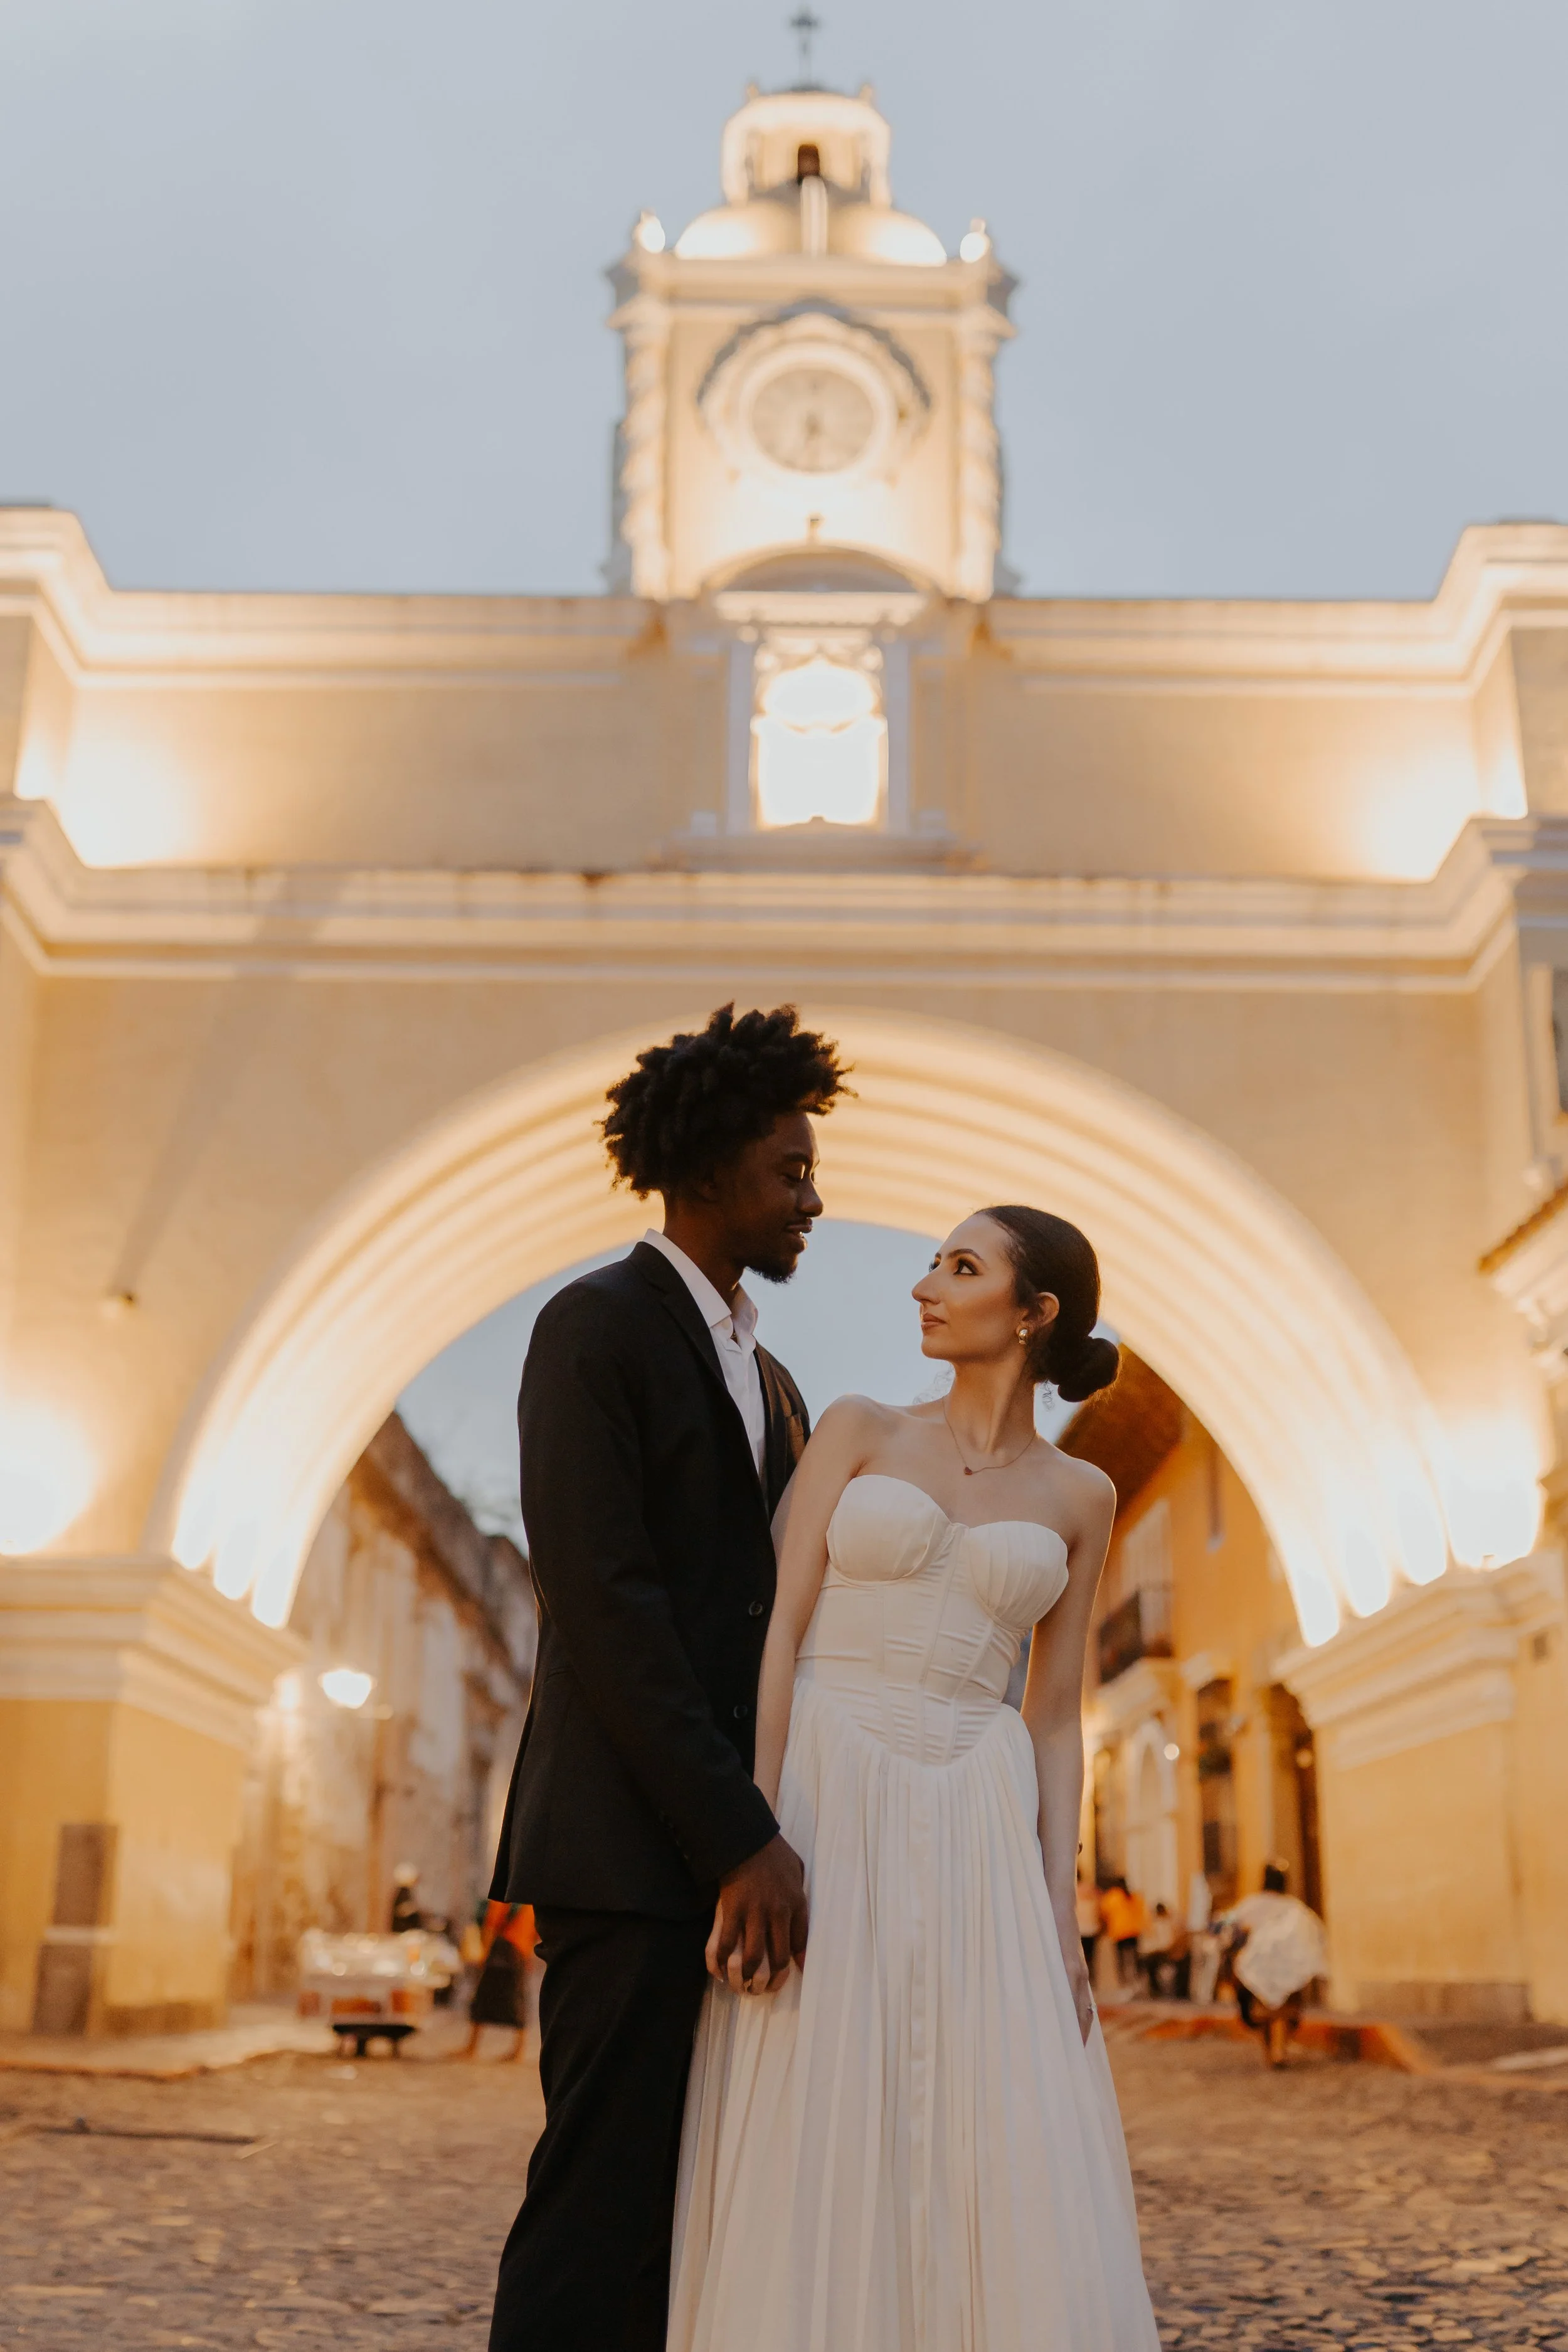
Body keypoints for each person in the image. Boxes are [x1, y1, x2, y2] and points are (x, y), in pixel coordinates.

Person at [669, 1205, 1160, 2351]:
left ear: (1033, 1315)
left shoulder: (1083, 1496)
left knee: (985, 2117)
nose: (925, 1285)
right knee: (817, 2093)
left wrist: (1060, 1913)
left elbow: (1051, 1718)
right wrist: (756, 1829)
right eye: (935, 1262)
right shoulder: (859, 1431)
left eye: (963, 1267)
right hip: (830, 1783)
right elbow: (779, 1636)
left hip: (979, 1803)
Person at [485, 1004, 847, 2352]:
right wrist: (736, 1837)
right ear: (705, 1172)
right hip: (629, 1861)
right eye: (789, 1169)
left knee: (703, 2215)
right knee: (599, 2211)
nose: (813, 1196)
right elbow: (606, 1608)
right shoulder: (592, 1330)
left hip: (727, 1862)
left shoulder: (776, 1373)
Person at [1219, 1860, 1327, 2067]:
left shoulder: (1251, 1904)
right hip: (1285, 1971)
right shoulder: (1295, 1908)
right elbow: (1315, 1933)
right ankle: (1279, 2051)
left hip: (1257, 1971)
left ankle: (1274, 2052)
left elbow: (1229, 1922)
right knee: (1282, 2012)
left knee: (1264, 2011)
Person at [458, 1900, 536, 2062]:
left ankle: (472, 2046)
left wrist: (485, 1953)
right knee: (517, 1998)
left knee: (484, 1995)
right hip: (520, 1951)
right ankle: (518, 2049)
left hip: (501, 1948)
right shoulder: (531, 1902)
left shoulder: (503, 1897)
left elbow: (491, 1925)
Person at [1076, 1870, 1102, 1976]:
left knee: (1081, 1955)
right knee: (1091, 1955)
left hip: (1080, 1928)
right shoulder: (1092, 1889)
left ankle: (1085, 1976)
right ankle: (1091, 1976)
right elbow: (1099, 1906)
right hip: (1092, 1927)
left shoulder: (1073, 1890)